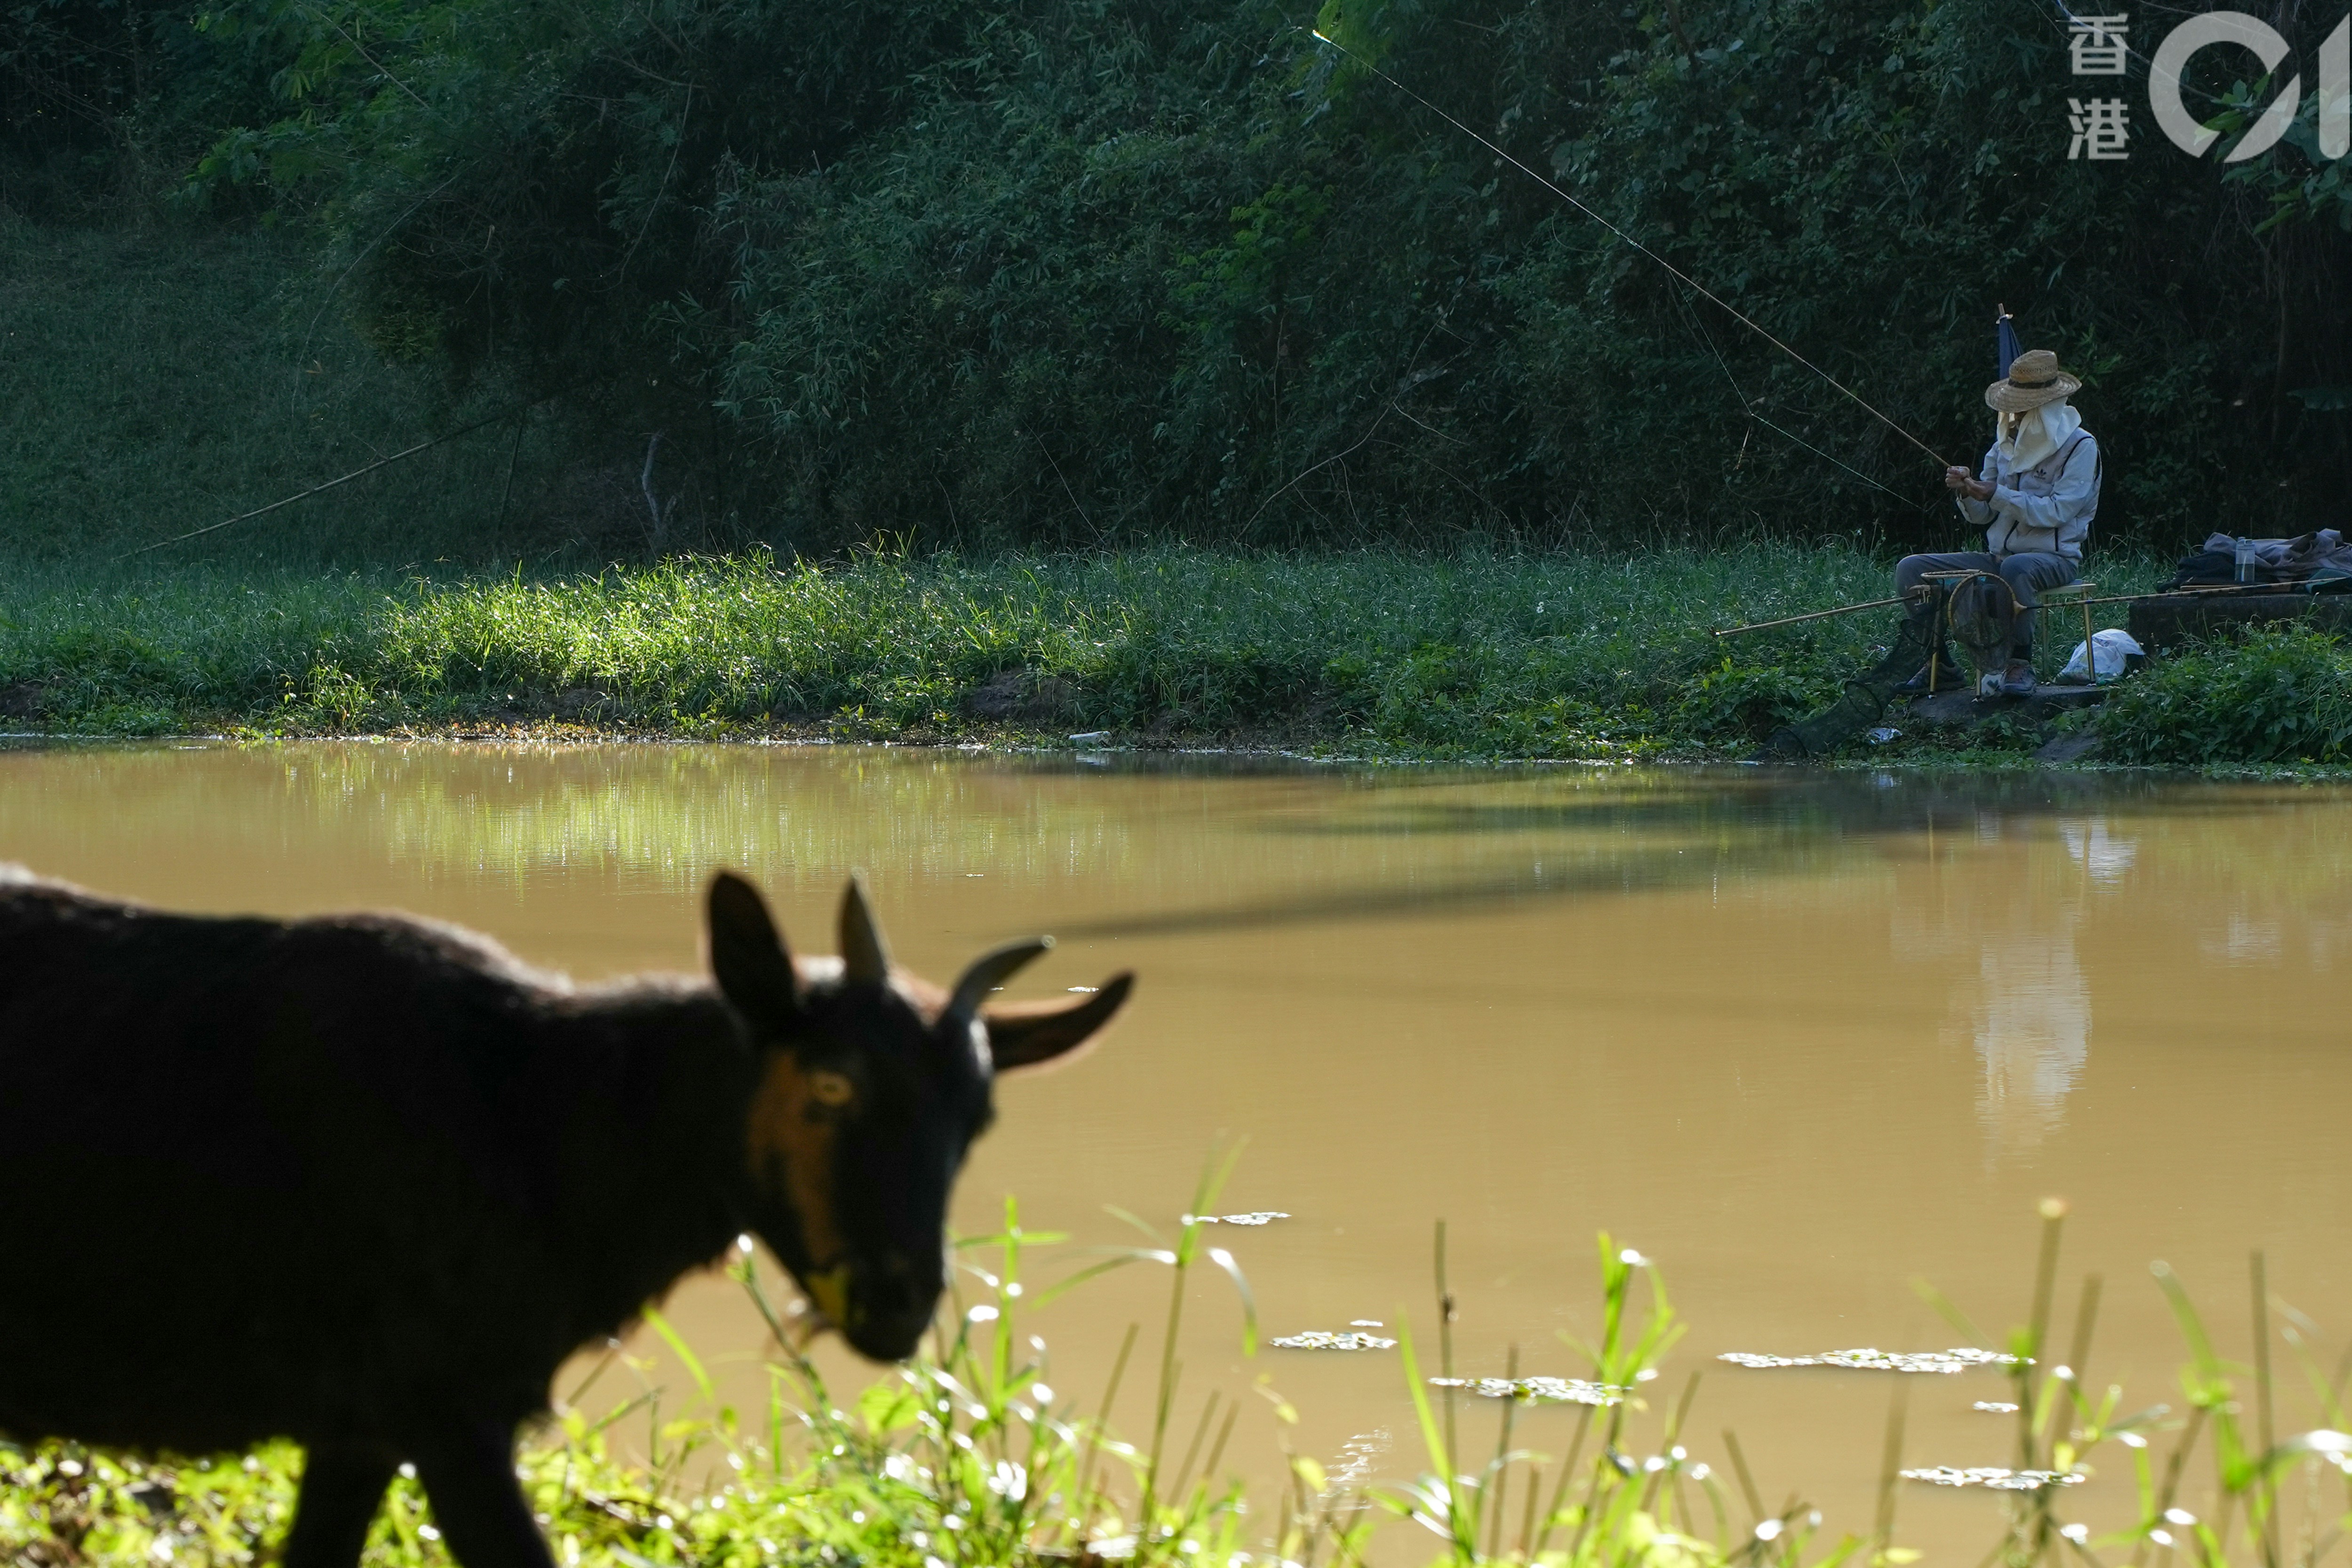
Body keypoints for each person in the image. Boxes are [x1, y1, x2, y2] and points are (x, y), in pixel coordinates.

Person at [1894, 348, 2101, 697]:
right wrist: (1967, 490)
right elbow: (1983, 515)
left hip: (2053, 560)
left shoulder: (2081, 446)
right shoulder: (2005, 442)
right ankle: (1939, 664)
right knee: (1912, 569)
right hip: (1997, 560)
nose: (2016, 413)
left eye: (2024, 404)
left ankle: (2019, 663)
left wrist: (1995, 494)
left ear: (2046, 405)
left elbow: (2057, 511)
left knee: (2018, 568)